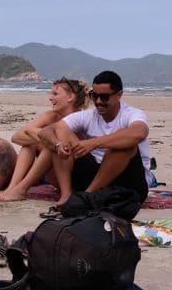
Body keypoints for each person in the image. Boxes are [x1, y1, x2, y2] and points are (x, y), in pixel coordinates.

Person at [39, 70, 151, 204]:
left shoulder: (132, 114)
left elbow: (138, 133)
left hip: (129, 183)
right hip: (96, 176)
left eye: (104, 97)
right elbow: (46, 131)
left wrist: (94, 143)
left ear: (119, 95)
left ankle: (86, 197)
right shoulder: (89, 116)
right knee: (60, 134)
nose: (98, 101)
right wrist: (57, 145)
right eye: (94, 95)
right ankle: (66, 195)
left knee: (122, 144)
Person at [0, 77, 89, 201]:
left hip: (74, 176)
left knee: (51, 144)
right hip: (56, 176)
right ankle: (13, 187)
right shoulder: (51, 115)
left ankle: (21, 189)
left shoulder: (80, 118)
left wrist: (46, 138)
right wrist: (44, 137)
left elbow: (77, 151)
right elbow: (17, 137)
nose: (50, 98)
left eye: (55, 94)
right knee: (32, 144)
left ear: (70, 97)